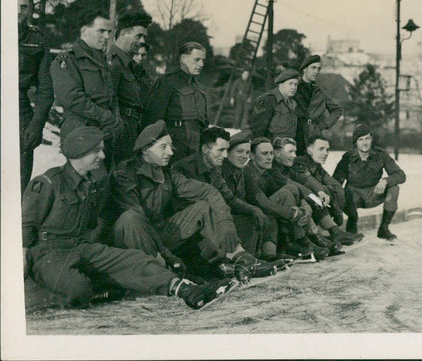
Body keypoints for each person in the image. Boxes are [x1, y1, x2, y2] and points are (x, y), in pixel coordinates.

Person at [22, 126, 237, 310]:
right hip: (48, 253)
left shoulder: (93, 185)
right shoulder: (48, 183)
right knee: (78, 288)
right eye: (97, 151)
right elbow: (24, 225)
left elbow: (94, 223)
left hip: (82, 247)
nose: (103, 156)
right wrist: (22, 260)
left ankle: (186, 289)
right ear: (80, 153)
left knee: (135, 260)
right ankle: (99, 292)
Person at [111, 120, 274, 279]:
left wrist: (226, 227)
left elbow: (209, 192)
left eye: (170, 146)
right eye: (163, 147)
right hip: (138, 238)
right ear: (146, 149)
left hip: (161, 232)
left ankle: (241, 258)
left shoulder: (166, 172)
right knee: (130, 218)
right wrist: (167, 255)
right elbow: (138, 223)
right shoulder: (125, 174)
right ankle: (163, 272)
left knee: (203, 206)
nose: (171, 152)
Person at [172, 127, 288, 271]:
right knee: (209, 211)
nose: (225, 155)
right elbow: (190, 208)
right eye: (220, 150)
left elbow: (229, 198)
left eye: (226, 150)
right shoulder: (184, 169)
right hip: (188, 229)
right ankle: (232, 262)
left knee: (250, 217)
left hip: (208, 224)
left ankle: (246, 262)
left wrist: (252, 209)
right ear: (205, 149)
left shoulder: (214, 169)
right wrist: (224, 222)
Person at [51, 9, 121, 167]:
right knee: (87, 183)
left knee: (103, 183)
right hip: (80, 130)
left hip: (104, 130)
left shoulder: (101, 59)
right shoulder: (68, 59)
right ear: (84, 31)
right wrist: (105, 116)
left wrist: (116, 119)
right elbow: (71, 98)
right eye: (101, 31)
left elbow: (111, 95)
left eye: (109, 32)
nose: (107, 36)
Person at [244, 137, 330, 261]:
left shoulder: (265, 172)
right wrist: (294, 213)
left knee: (288, 191)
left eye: (271, 153)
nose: (269, 157)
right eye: (264, 154)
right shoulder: (248, 172)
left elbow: (295, 188)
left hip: (266, 214)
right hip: (251, 217)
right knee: (285, 194)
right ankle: (297, 241)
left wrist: (306, 207)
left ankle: (301, 241)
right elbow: (263, 203)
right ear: (252, 156)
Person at [271, 137, 346, 256]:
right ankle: (304, 240)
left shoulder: (287, 166)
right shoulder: (273, 168)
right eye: (290, 151)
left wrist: (319, 193)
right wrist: (312, 200)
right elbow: (294, 185)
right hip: (275, 214)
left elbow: (305, 180)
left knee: (306, 198)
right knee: (292, 193)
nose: (294, 155)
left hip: (286, 211)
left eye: (295, 151)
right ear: (278, 153)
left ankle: (313, 237)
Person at [333, 124, 407, 241]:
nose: (365, 143)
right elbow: (336, 183)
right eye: (360, 139)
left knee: (394, 188)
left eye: (367, 138)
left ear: (371, 139)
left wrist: (385, 180)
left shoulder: (381, 155)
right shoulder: (348, 157)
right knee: (345, 192)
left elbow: (401, 175)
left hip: (373, 194)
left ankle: (383, 229)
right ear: (356, 142)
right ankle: (351, 229)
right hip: (353, 196)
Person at [142, 41, 209, 162]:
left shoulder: (200, 86)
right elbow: (153, 118)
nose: (201, 64)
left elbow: (204, 121)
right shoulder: (167, 82)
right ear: (183, 59)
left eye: (203, 60)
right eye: (197, 59)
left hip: (196, 145)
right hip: (174, 144)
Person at [292, 135, 363, 244]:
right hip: (300, 204)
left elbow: (334, 184)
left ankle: (337, 232)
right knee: (321, 192)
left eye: (327, 149)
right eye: (321, 149)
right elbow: (308, 180)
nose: (325, 153)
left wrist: (338, 210)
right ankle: (333, 232)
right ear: (309, 150)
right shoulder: (300, 163)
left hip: (315, 208)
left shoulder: (317, 166)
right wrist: (322, 191)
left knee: (341, 190)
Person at [18, 0, 54, 193]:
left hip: (20, 111)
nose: (18, 12)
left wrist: (36, 124)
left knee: (19, 179)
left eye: (23, 7)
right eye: (13, 6)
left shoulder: (37, 40)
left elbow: (46, 88)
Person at [110, 12, 153, 161]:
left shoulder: (129, 65)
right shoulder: (114, 62)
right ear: (123, 34)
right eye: (138, 36)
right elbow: (109, 99)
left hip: (131, 128)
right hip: (119, 129)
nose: (142, 41)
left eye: (144, 37)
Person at [294, 55, 343, 155]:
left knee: (312, 165)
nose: (316, 71)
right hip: (294, 133)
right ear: (304, 69)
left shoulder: (319, 92)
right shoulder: (293, 87)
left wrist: (324, 125)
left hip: (311, 136)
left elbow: (337, 110)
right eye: (313, 68)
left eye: (318, 68)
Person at [249, 68, 300, 141]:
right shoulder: (267, 100)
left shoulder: (293, 102)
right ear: (280, 84)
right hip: (271, 146)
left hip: (289, 145)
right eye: (290, 83)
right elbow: (257, 129)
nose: (294, 87)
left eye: (296, 84)